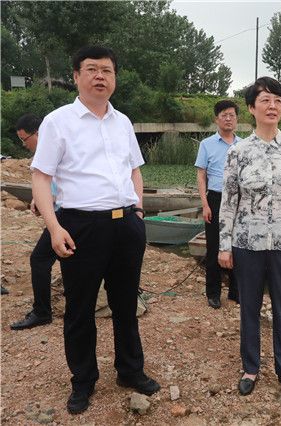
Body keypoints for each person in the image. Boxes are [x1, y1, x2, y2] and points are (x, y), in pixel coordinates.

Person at [31, 46, 160, 415]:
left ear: (115, 77)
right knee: (80, 307)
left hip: (126, 225)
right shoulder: (57, 122)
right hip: (80, 226)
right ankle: (83, 381)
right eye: (92, 69)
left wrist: (138, 210)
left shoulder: (123, 122)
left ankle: (130, 370)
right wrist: (54, 227)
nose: (100, 76)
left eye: (107, 70)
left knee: (126, 304)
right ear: (76, 76)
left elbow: (134, 169)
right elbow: (41, 177)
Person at [218, 77, 281, 402]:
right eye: (265, 100)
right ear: (251, 108)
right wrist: (224, 245)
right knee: (249, 307)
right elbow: (229, 200)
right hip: (247, 243)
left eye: (278, 101)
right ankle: (250, 369)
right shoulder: (238, 152)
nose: (272, 106)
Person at [10, 114, 58, 331]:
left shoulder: (53, 151)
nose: (24, 145)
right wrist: (38, 200)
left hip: (67, 215)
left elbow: (61, 188)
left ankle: (42, 312)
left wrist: (46, 201)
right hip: (63, 214)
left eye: (24, 139)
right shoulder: (47, 152)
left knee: (39, 259)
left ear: (38, 133)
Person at [195, 100, 240, 309]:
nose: (228, 119)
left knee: (238, 246)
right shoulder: (207, 144)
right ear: (217, 119)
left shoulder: (243, 145)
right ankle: (213, 293)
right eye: (224, 115)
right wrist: (205, 205)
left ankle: (236, 292)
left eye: (232, 115)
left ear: (236, 119)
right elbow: (201, 175)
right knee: (214, 247)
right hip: (215, 199)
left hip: (239, 200)